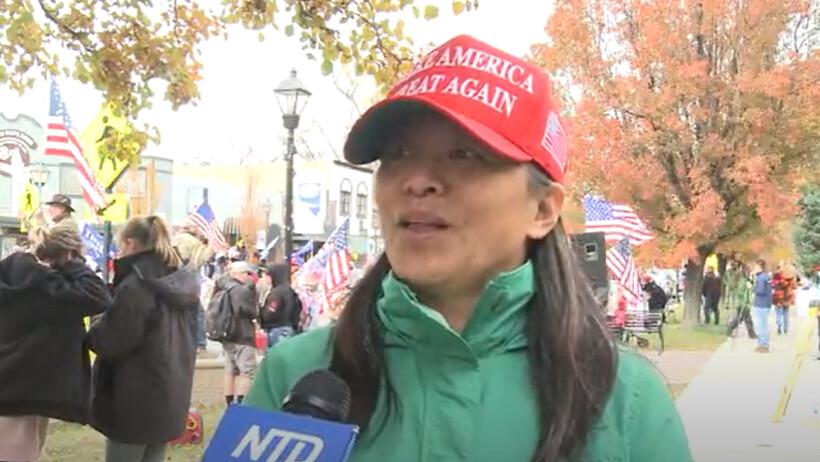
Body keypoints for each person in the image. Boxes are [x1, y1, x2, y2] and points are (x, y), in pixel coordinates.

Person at [245, 35, 691, 462]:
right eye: (397, 155)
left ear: (542, 209)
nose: (417, 180)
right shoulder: (296, 377)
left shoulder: (623, 401)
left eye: (465, 155)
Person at [87, 216, 200, 462]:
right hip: (169, 391)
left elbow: (110, 341)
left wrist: (97, 321)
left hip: (134, 397)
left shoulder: (137, 286)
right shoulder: (181, 279)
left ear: (130, 243)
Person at [0, 223, 111, 462]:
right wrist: (73, 264)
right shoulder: (51, 288)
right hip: (28, 390)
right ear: (68, 252)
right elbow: (99, 296)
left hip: (12, 384)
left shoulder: (11, 277)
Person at [214, 260, 258, 406]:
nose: (248, 276)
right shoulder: (240, 290)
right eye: (246, 273)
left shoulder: (221, 287)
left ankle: (228, 403)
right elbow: (247, 311)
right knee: (247, 371)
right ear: (238, 274)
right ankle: (241, 403)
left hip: (226, 334)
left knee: (230, 370)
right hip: (242, 334)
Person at [173, 226, 215, 352]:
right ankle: (199, 343)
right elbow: (199, 261)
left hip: (173, 281)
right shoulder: (193, 242)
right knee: (198, 313)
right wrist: (211, 247)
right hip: (188, 283)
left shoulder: (173, 240)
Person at [259, 263, 301, 348]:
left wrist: (262, 316)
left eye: (268, 275)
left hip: (277, 329)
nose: (265, 278)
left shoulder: (277, 293)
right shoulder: (289, 290)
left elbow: (270, 311)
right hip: (289, 327)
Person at [724, 262, 756, 339]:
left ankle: (729, 330)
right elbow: (740, 291)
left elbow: (751, 289)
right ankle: (751, 334)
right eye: (748, 270)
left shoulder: (746, 279)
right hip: (742, 302)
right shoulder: (741, 279)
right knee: (747, 319)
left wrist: (751, 286)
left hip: (745, 302)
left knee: (739, 318)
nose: (749, 272)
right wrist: (748, 287)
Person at [751, 259, 773, 353]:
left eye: (755, 267)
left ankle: (764, 344)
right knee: (762, 325)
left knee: (761, 325)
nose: (754, 269)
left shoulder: (761, 278)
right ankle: (761, 343)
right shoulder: (765, 277)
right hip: (765, 304)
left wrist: (752, 288)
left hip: (761, 304)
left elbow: (760, 291)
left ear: (760, 268)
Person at [771, 262, 799, 335]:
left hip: (778, 296)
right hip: (787, 296)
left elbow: (773, 285)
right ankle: (785, 329)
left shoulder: (776, 275)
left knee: (778, 313)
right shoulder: (790, 276)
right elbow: (794, 286)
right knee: (786, 313)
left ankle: (779, 326)